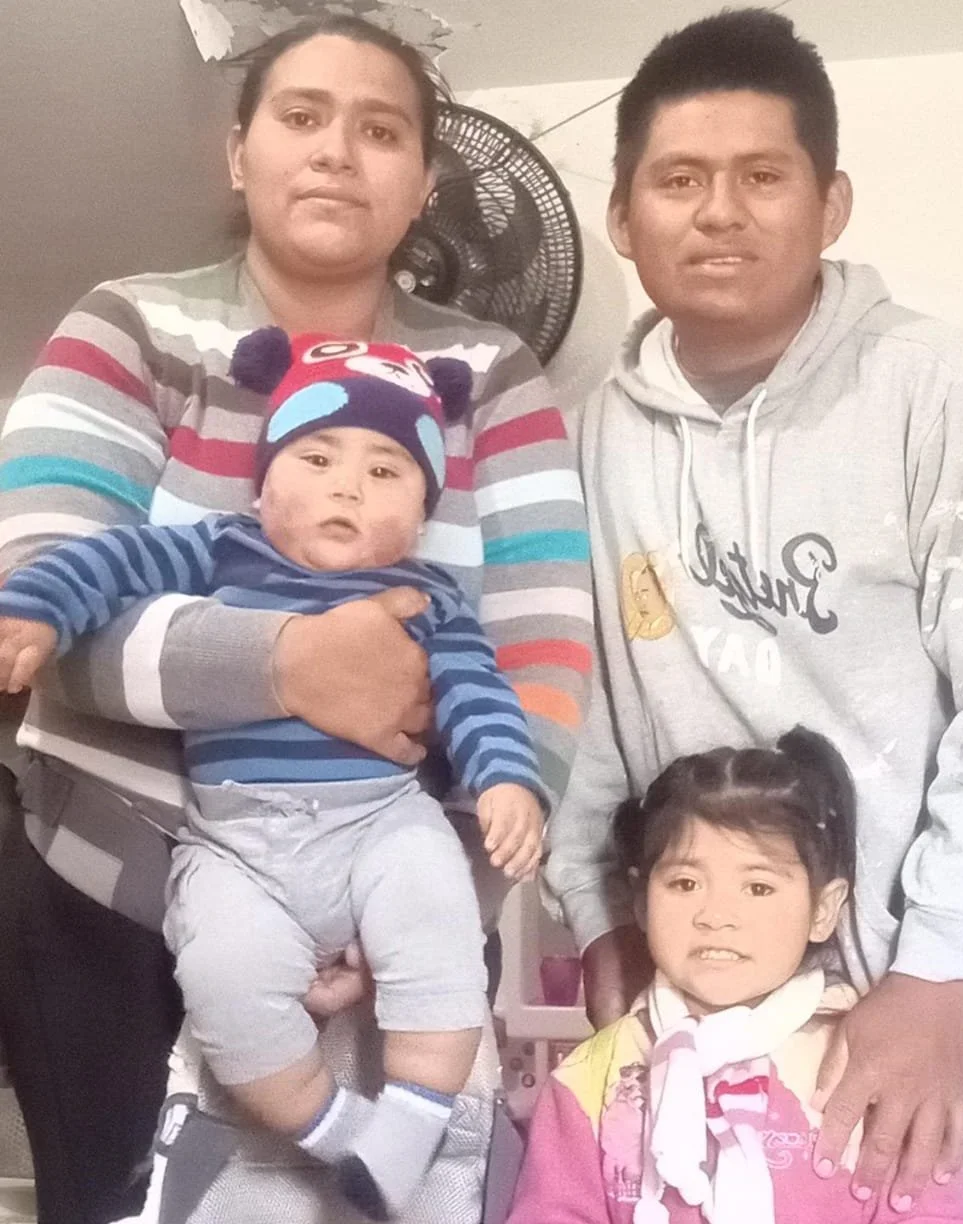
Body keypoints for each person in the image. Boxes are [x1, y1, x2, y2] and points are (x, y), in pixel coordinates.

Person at [0, 16, 592, 1224]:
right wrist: (294, 664)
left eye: (380, 130)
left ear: (424, 184)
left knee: (391, 1199)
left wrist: (429, 895)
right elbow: (45, 612)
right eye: (302, 116)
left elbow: (538, 652)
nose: (335, 151)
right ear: (239, 151)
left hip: (405, 891)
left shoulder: (491, 376)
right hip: (107, 897)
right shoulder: (128, 327)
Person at [544, 7, 963, 1219]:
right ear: (623, 217)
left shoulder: (939, 390)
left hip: (920, 1006)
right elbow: (576, 703)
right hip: (698, 1011)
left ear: (830, 204)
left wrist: (944, 972)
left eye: (762, 176)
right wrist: (599, 916)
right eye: (679, 179)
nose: (719, 211)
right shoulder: (587, 436)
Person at [0, 331, 549, 1220]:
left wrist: (507, 780)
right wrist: (36, 608)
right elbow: (111, 563)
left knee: (439, 930)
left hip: (381, 823)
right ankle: (340, 1134)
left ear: (421, 515)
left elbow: (480, 694)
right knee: (225, 978)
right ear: (262, 487)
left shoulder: (430, 599)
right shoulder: (225, 548)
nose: (347, 485)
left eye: (385, 471)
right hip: (235, 842)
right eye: (317, 458)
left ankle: (416, 1122)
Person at [513, 731, 963, 1222]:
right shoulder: (588, 1078)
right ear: (642, 901)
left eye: (758, 887)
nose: (716, 915)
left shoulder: (866, 1065)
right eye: (685, 883)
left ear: (823, 909)